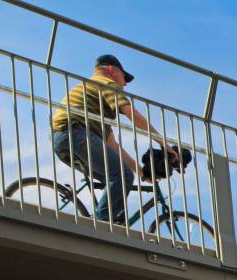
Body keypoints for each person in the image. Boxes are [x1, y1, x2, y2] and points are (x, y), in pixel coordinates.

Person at [49, 54, 172, 226]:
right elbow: (133, 115)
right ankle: (102, 223)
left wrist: (142, 173)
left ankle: (109, 220)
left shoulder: (94, 107)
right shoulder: (105, 83)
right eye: (124, 77)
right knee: (121, 175)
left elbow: (114, 147)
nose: (125, 84)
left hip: (63, 138)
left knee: (118, 179)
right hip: (75, 132)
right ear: (111, 70)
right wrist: (164, 144)